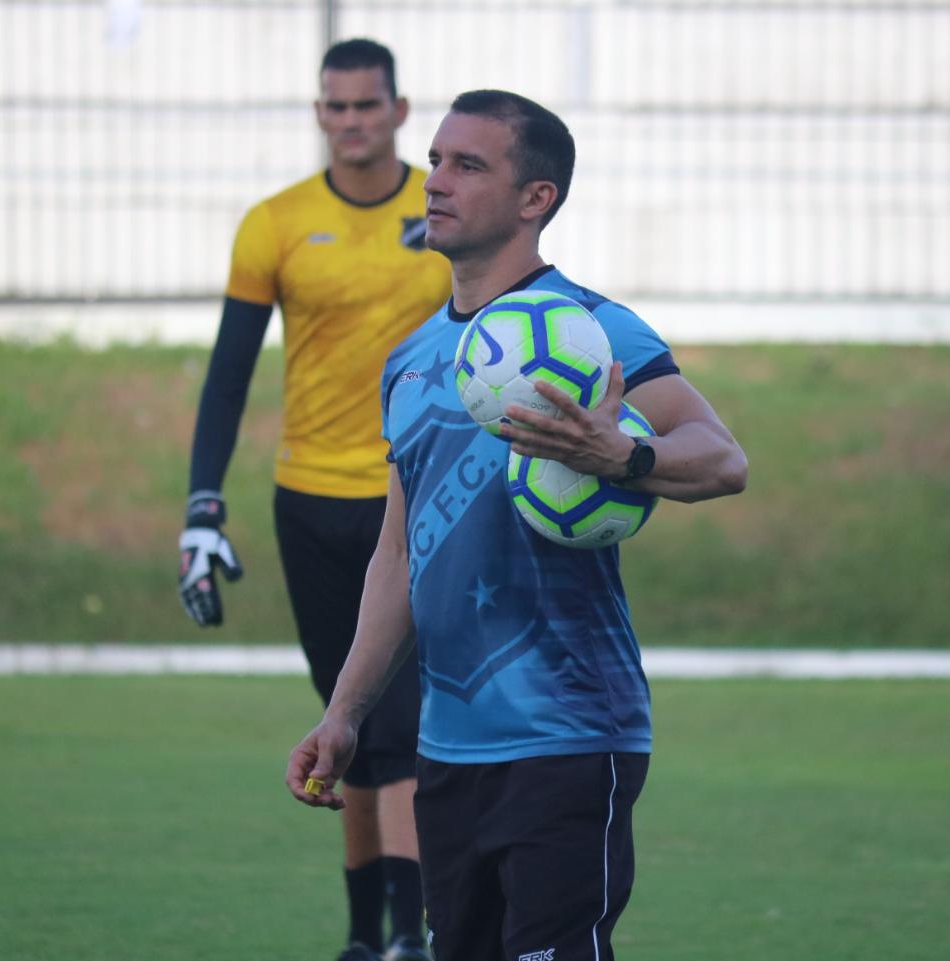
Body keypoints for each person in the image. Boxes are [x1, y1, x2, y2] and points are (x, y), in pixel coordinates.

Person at [287, 90, 748, 961]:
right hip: (448, 745)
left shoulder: (591, 329)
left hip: (571, 731)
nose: (435, 182)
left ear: (537, 198)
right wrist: (345, 711)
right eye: (436, 160)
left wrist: (625, 456)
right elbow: (399, 551)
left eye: (468, 165)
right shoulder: (412, 359)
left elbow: (723, 459)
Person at [178, 39, 450, 961]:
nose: (350, 122)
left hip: (417, 498)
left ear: (400, 110)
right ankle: (363, 937)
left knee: (408, 722)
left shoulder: (445, 211)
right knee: (350, 720)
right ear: (320, 112)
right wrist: (201, 504)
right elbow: (225, 378)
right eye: (334, 107)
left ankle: (413, 935)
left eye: (366, 106)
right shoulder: (276, 222)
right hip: (309, 501)